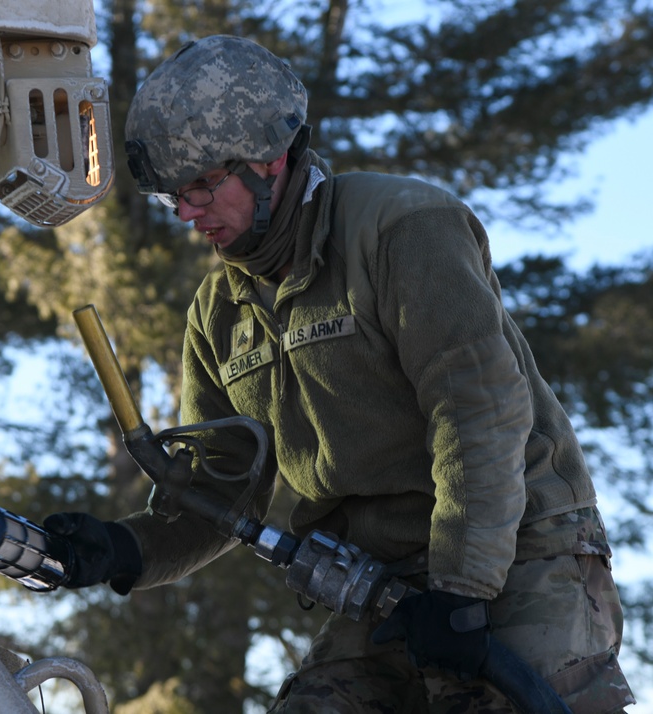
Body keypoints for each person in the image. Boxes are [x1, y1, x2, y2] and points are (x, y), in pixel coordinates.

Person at [44, 35, 636, 712]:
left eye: (203, 184)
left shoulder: (404, 230)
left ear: (271, 159)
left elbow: (478, 415)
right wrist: (123, 549)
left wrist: (462, 591)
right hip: (375, 581)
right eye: (174, 195)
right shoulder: (217, 315)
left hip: (520, 549)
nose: (186, 211)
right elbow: (219, 496)